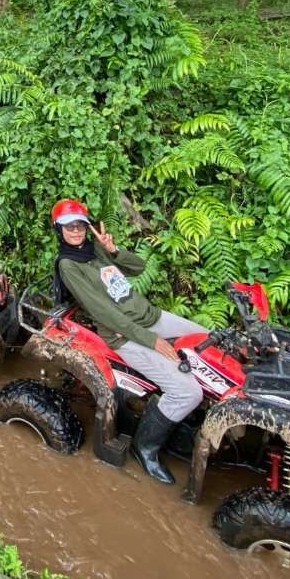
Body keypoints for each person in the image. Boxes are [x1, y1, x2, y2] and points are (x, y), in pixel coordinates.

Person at [51, 198, 205, 485]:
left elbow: (138, 267)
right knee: (188, 393)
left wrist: (113, 250)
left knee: (207, 343)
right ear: (59, 231)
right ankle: (145, 447)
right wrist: (152, 340)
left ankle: (188, 423)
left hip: (150, 315)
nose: (75, 231)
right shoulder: (69, 265)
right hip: (122, 334)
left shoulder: (94, 249)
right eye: (68, 227)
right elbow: (102, 311)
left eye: (80, 225)